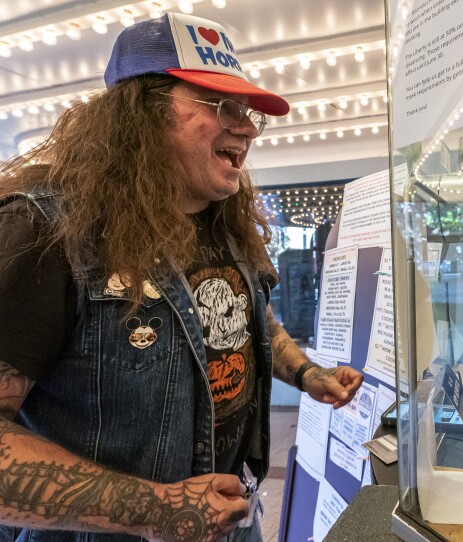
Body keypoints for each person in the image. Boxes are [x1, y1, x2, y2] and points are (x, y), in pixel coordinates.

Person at [0, 12, 363, 542]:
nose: (244, 125)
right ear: (139, 114)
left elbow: (247, 319)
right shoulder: (44, 231)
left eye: (248, 112)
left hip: (234, 516)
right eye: (221, 105)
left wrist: (308, 374)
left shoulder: (228, 224)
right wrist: (155, 509)